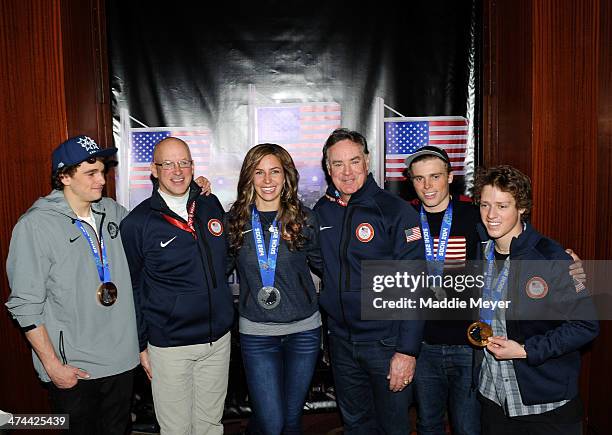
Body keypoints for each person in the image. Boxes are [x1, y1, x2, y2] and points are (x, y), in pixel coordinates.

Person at [5, 135, 140, 434]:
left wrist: (195, 193)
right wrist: (52, 365)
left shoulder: (114, 212)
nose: (102, 180)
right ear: (64, 176)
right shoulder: (35, 225)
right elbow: (25, 306)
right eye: (91, 173)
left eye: (103, 171)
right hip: (75, 368)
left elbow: (153, 227)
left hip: (121, 361)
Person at [313, 128, 425, 435]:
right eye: (338, 164)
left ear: (367, 161)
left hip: (386, 344)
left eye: (354, 161)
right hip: (341, 342)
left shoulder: (395, 211)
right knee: (356, 427)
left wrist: (407, 351)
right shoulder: (322, 212)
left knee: (393, 428)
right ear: (327, 167)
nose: (347, 172)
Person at [472, 165, 598, 435]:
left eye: (502, 206)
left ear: (521, 208)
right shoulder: (479, 253)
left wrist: (525, 349)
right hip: (493, 397)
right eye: (485, 205)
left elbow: (586, 325)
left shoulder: (551, 258)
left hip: (545, 403)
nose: (491, 215)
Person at [120, 137, 234, 435]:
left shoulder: (209, 203)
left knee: (210, 426)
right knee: (176, 430)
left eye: (184, 162)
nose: (177, 170)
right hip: (170, 346)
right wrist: (141, 344)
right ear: (153, 170)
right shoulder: (138, 223)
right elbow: (131, 286)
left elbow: (223, 262)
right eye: (167, 163)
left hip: (217, 340)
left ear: (193, 166)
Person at [226, 143, 323, 435]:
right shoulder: (234, 222)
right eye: (259, 172)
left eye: (275, 172)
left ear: (286, 176)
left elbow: (326, 265)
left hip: (304, 332)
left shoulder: (304, 219)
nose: (267, 180)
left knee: (292, 421)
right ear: (249, 178)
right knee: (271, 423)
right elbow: (216, 271)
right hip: (257, 334)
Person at [404, 145, 481, 435]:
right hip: (423, 345)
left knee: (467, 426)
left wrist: (562, 258)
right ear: (411, 181)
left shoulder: (474, 216)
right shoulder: (405, 218)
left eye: (435, 176)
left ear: (450, 177)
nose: (427, 186)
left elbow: (513, 242)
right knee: (428, 424)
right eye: (419, 178)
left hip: (467, 342)